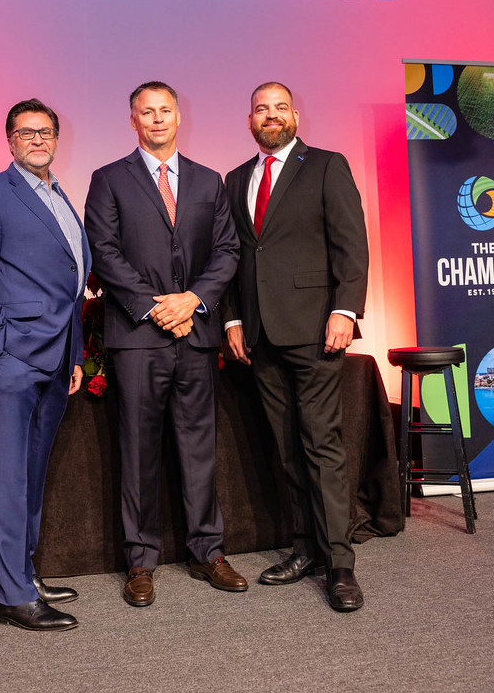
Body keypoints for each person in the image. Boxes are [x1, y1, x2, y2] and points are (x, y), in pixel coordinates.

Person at [84, 82, 247, 606]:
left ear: (179, 117)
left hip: (195, 336)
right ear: (132, 121)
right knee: (138, 450)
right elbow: (104, 251)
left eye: (165, 110)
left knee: (200, 449)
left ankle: (208, 552)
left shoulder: (208, 180)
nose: (157, 119)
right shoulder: (108, 179)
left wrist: (193, 299)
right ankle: (140, 560)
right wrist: (156, 307)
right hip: (138, 338)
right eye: (147, 112)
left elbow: (227, 250)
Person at [223, 82, 369, 612]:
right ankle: (305, 548)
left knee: (321, 444)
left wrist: (345, 310)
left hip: (315, 329)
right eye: (261, 109)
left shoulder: (327, 165)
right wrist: (232, 318)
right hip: (260, 334)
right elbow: (233, 256)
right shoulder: (236, 179)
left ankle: (340, 565)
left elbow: (351, 242)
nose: (271, 115)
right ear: (249, 120)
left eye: (280, 107)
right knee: (286, 449)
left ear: (296, 116)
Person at [0, 97, 91, 631]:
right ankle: (12, 597)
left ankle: (20, 575)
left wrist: (74, 353)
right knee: (9, 477)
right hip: (13, 359)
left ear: (56, 139)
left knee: (31, 474)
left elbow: (69, 283)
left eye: (45, 132)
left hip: (57, 357)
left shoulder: (60, 197)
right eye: (26, 132)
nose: (37, 140)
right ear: (10, 140)